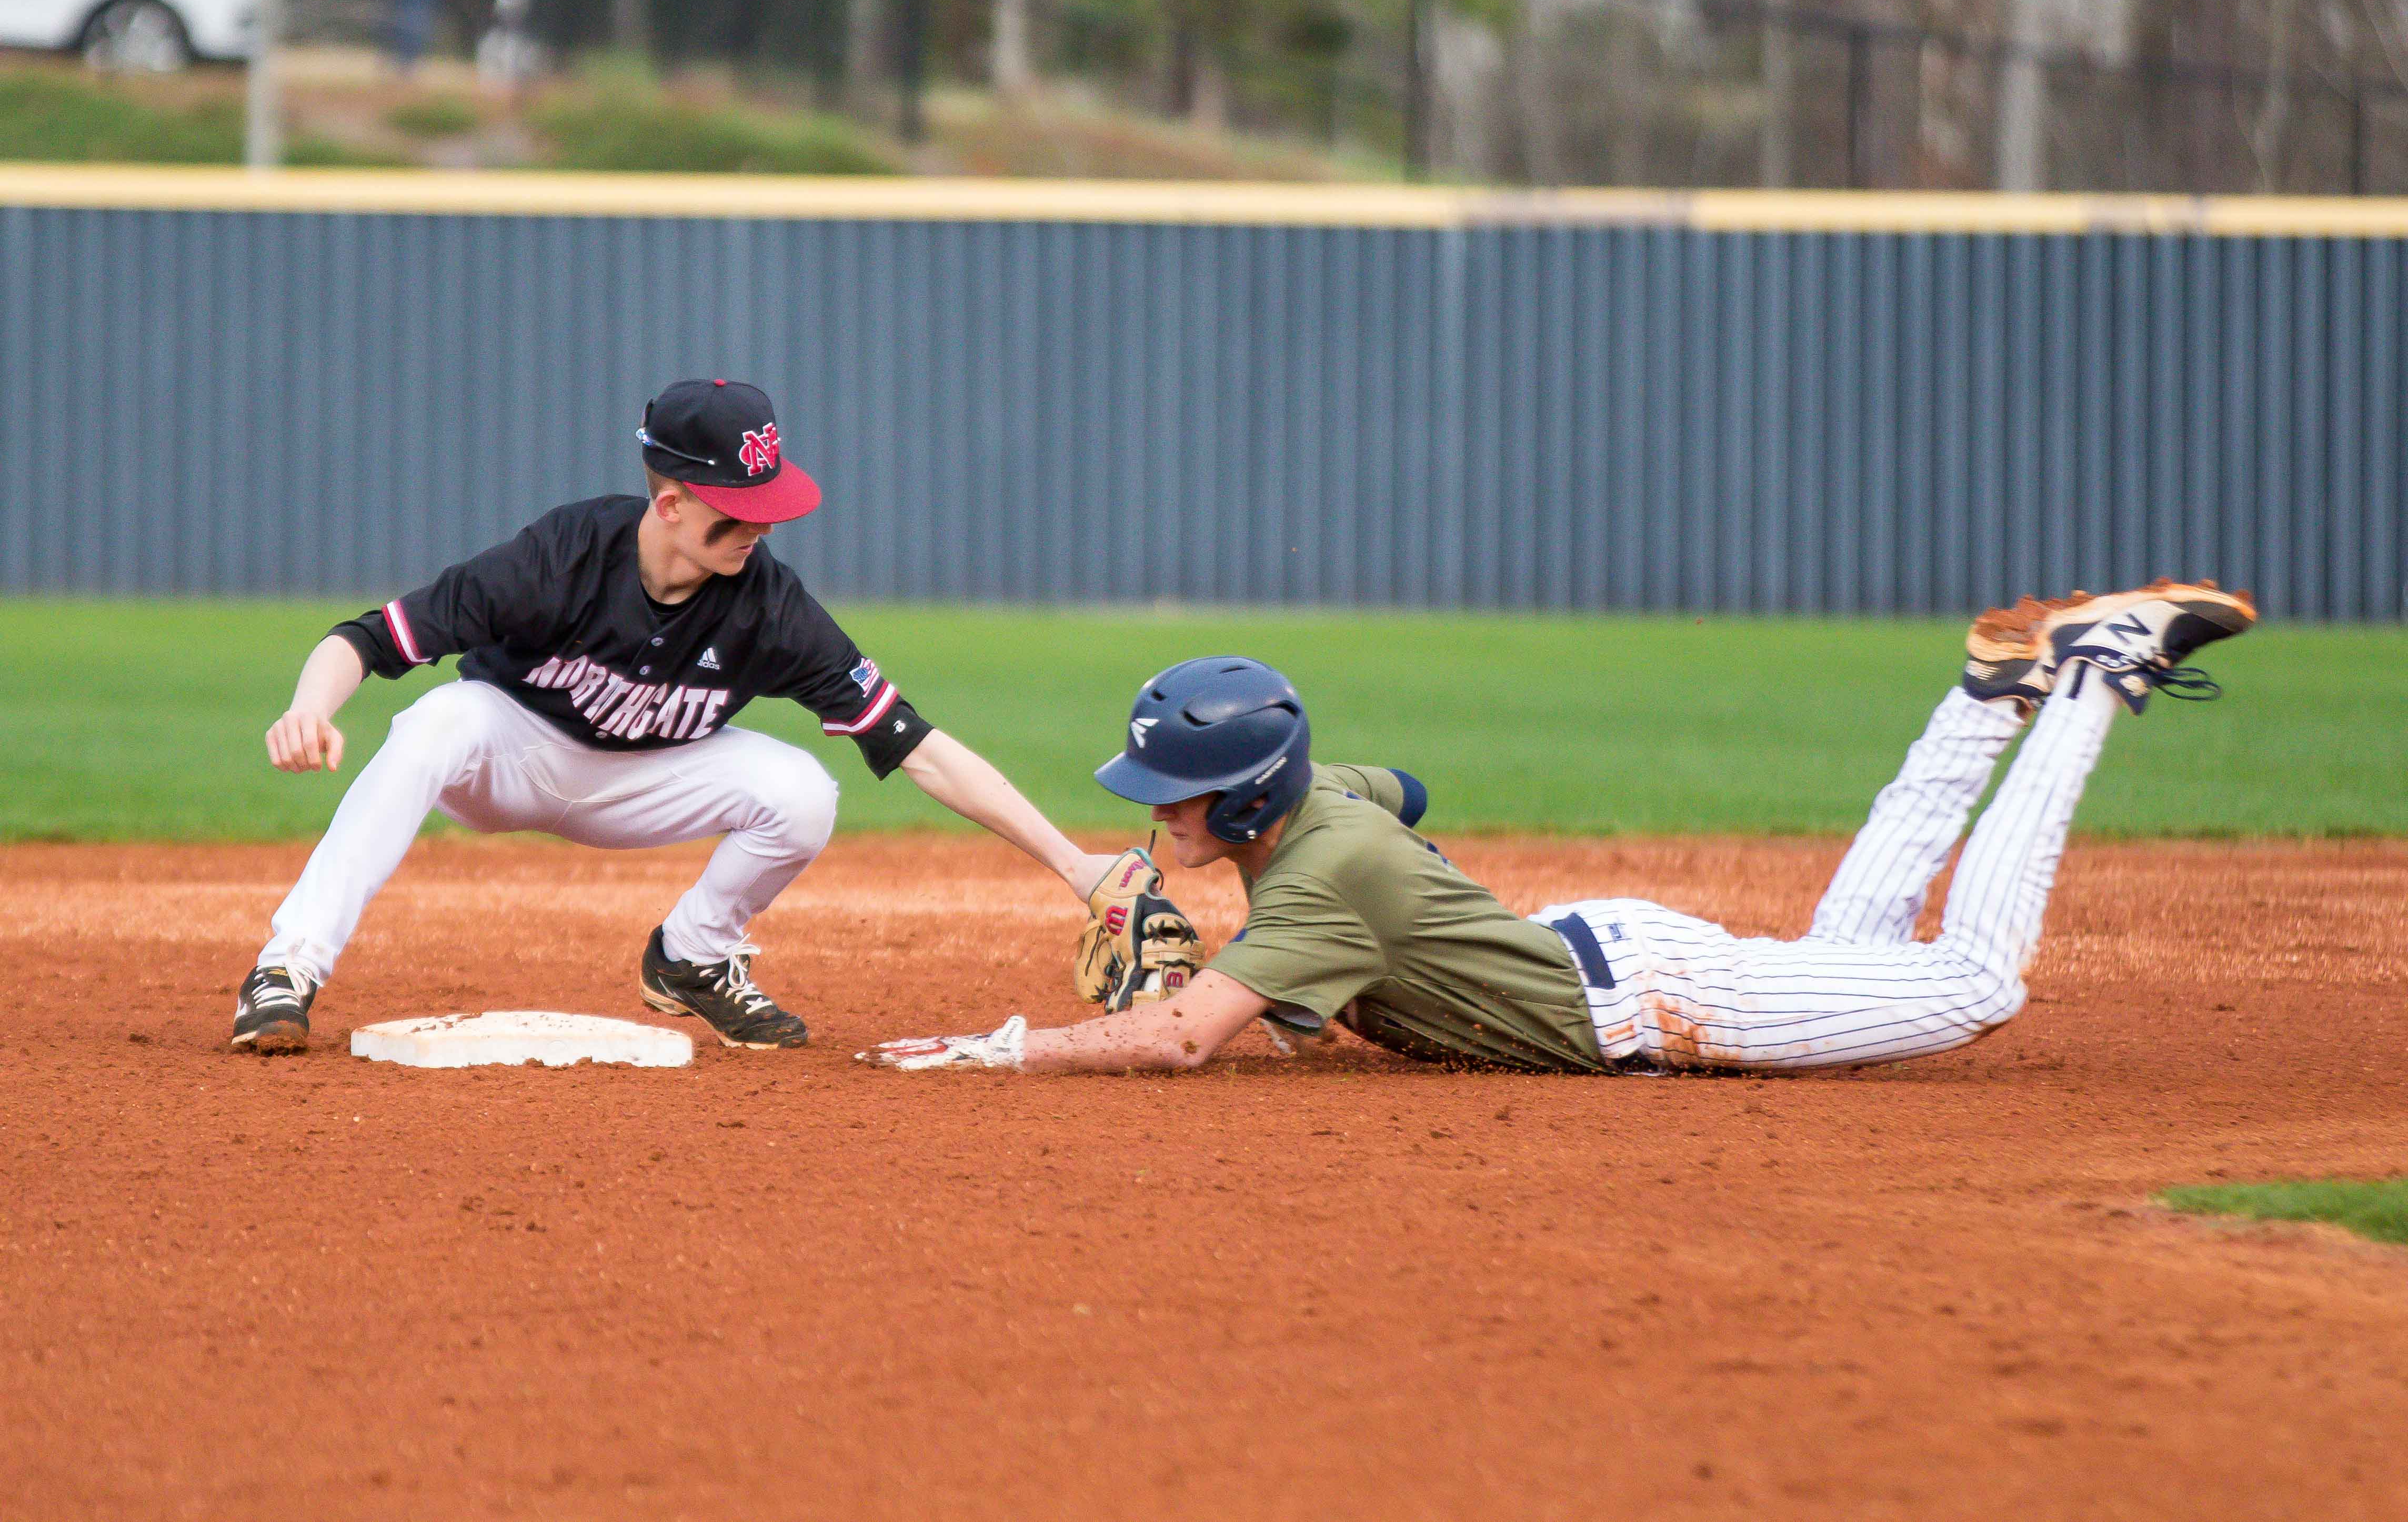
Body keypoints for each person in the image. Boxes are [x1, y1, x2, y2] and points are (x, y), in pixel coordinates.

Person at [862, 579, 2256, 1076]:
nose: (1152, 813)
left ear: (1241, 800)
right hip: (1610, 957)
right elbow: (1397, 789)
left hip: (1651, 995)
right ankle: (1982, 697)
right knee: (1848, 947)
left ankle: (2085, 674)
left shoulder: (1317, 877)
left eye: (1169, 795)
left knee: (1973, 982)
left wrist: (1017, 1047)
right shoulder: (1324, 806)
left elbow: (1181, 1040)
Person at [234, 378, 1120, 1054]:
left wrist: (1078, 866)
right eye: (739, 515)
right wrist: (310, 707)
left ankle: (692, 955)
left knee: (801, 790)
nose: (758, 533)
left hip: (642, 784)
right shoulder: (561, 557)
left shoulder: (769, 604)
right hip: (511, 756)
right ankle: (287, 967)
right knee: (436, 719)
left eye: (767, 511)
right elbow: (367, 637)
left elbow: (916, 747)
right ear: (670, 504)